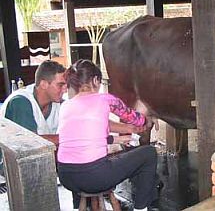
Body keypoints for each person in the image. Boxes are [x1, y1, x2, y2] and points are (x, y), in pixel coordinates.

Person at [57, 59, 158, 211]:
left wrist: (119, 137)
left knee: (126, 156)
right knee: (149, 153)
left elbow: (88, 138)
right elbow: (134, 118)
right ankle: (141, 208)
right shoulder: (105, 99)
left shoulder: (66, 105)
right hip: (95, 177)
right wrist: (147, 118)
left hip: (66, 176)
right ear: (96, 80)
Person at [0, 60, 67, 174]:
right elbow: (29, 144)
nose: (65, 89)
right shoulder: (21, 102)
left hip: (38, 166)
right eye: (60, 85)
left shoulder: (59, 103)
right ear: (43, 84)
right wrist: (68, 138)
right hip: (9, 172)